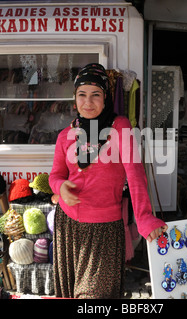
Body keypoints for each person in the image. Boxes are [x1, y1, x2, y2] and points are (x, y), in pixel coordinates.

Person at [49, 63, 167, 299]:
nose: (88, 102)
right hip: (68, 226)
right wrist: (60, 187)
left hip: (104, 229)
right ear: (75, 99)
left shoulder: (120, 127)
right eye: (81, 95)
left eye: (96, 95)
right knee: (69, 295)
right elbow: (55, 175)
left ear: (106, 98)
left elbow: (135, 173)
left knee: (94, 299)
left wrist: (143, 217)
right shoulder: (65, 135)